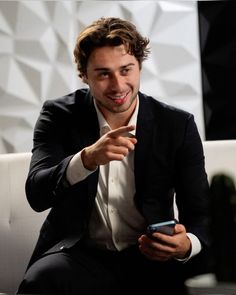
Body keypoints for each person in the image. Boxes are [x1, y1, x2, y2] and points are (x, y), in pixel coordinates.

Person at [17, 17, 210, 295]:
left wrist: (186, 244)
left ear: (139, 66)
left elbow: (201, 215)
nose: (118, 85)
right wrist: (86, 159)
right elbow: (37, 193)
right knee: (42, 280)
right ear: (84, 75)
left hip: (153, 257)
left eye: (126, 70)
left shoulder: (176, 125)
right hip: (80, 255)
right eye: (103, 73)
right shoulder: (58, 116)